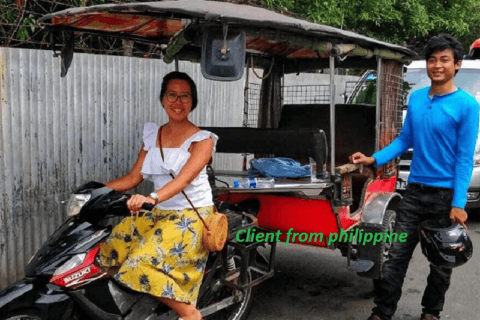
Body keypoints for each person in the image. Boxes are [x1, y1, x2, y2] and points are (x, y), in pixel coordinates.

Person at [350, 34, 479, 320]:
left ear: (456, 64)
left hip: (444, 198)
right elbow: (404, 140)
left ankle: (431, 312)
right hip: (414, 193)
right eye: (432, 59)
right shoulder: (417, 98)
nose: (437, 65)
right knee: (396, 256)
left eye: (444, 60)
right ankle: (382, 312)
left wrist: (458, 203)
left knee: (441, 261)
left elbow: (463, 158)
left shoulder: (468, 106)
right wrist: (374, 158)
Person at [97, 71, 218, 320]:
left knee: (140, 263)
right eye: (172, 95)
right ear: (163, 99)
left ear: (192, 102)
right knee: (109, 250)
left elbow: (184, 179)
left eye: (185, 96)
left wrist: (151, 198)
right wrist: (96, 189)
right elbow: (133, 178)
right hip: (158, 212)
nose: (178, 101)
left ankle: (190, 314)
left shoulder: (202, 140)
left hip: (191, 216)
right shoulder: (154, 136)